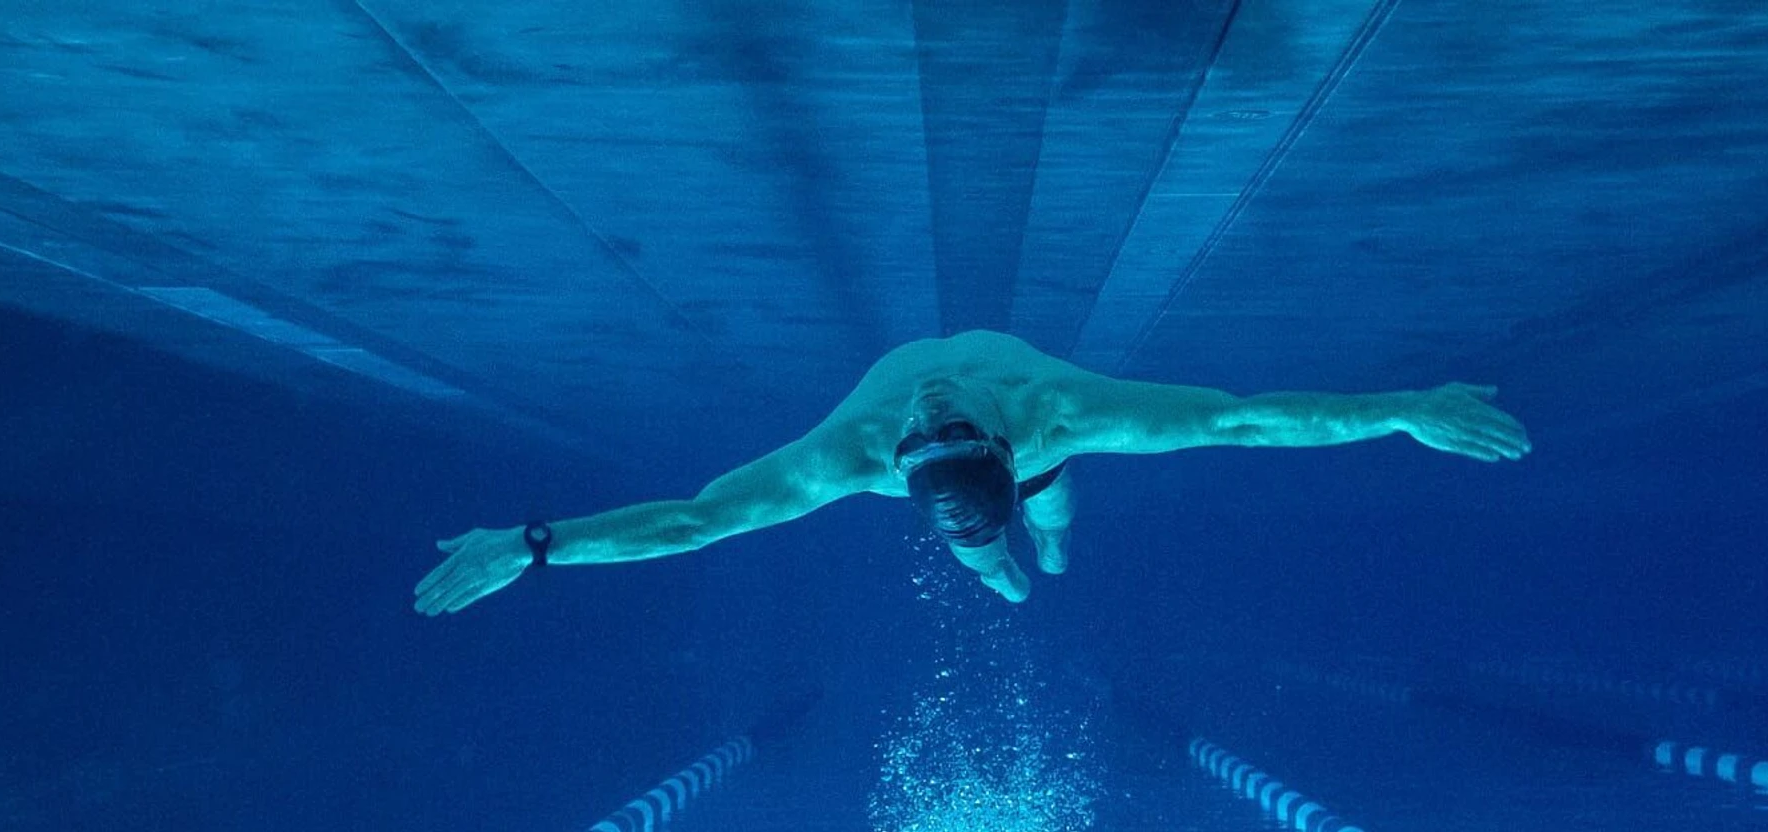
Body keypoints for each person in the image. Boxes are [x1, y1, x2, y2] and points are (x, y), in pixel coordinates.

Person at [413, 329, 1530, 614]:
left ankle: (1040, 540)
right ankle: (1006, 564)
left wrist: (1402, 415)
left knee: (1049, 523)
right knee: (995, 569)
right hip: (1013, 484)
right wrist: (535, 544)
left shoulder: (1058, 420)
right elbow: (697, 523)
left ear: (1002, 442)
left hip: (1042, 473)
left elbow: (1240, 422)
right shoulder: (860, 454)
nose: (927, 408)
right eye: (927, 431)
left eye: (935, 427)